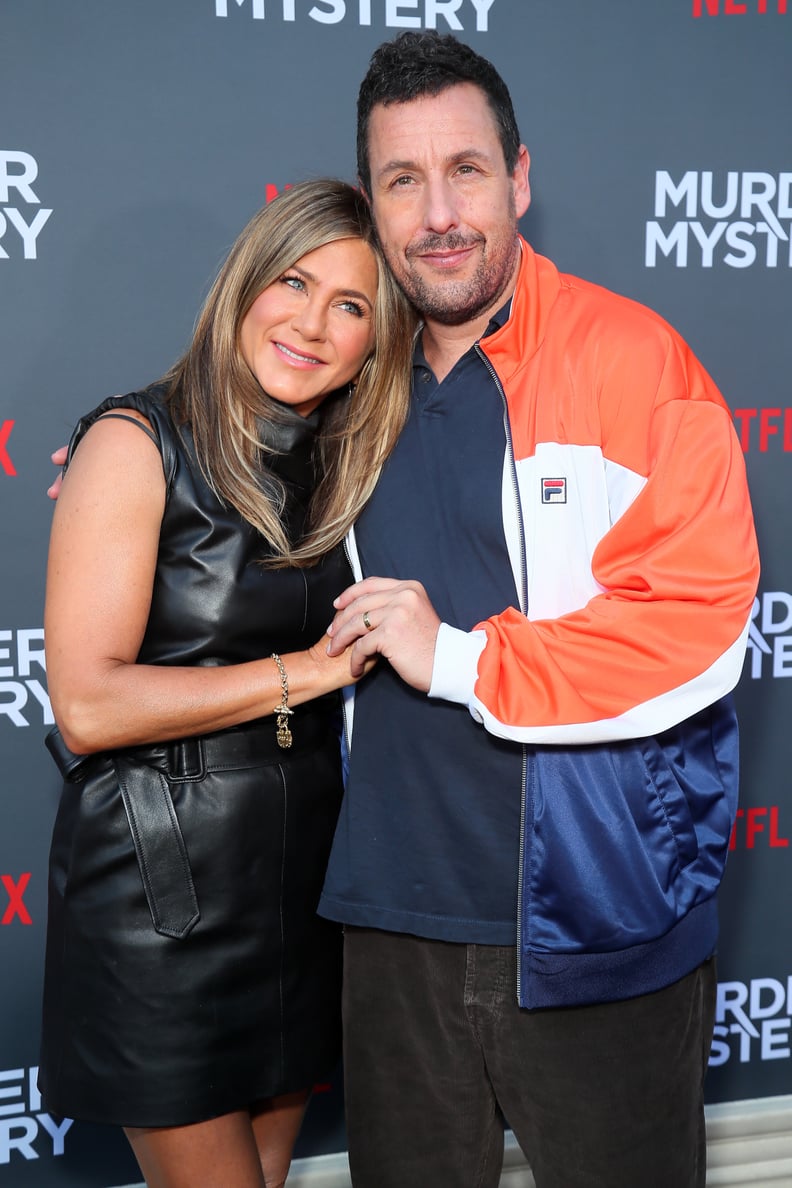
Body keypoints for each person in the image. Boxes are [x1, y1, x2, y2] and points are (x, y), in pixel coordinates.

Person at [319, 32, 761, 1188]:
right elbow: (230, 462)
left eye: (465, 169)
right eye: (403, 181)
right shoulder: (345, 375)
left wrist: (460, 661)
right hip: (394, 919)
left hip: (594, 914)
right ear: (374, 205)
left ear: (521, 177)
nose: (439, 214)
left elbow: (698, 623)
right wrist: (138, 460)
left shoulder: (637, 359)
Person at [38, 177, 414, 1188]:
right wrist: (311, 672)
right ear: (244, 285)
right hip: (166, 903)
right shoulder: (134, 442)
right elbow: (89, 703)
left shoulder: (357, 460)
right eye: (293, 283)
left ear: (378, 341)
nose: (313, 324)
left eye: (352, 306)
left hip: (302, 885)